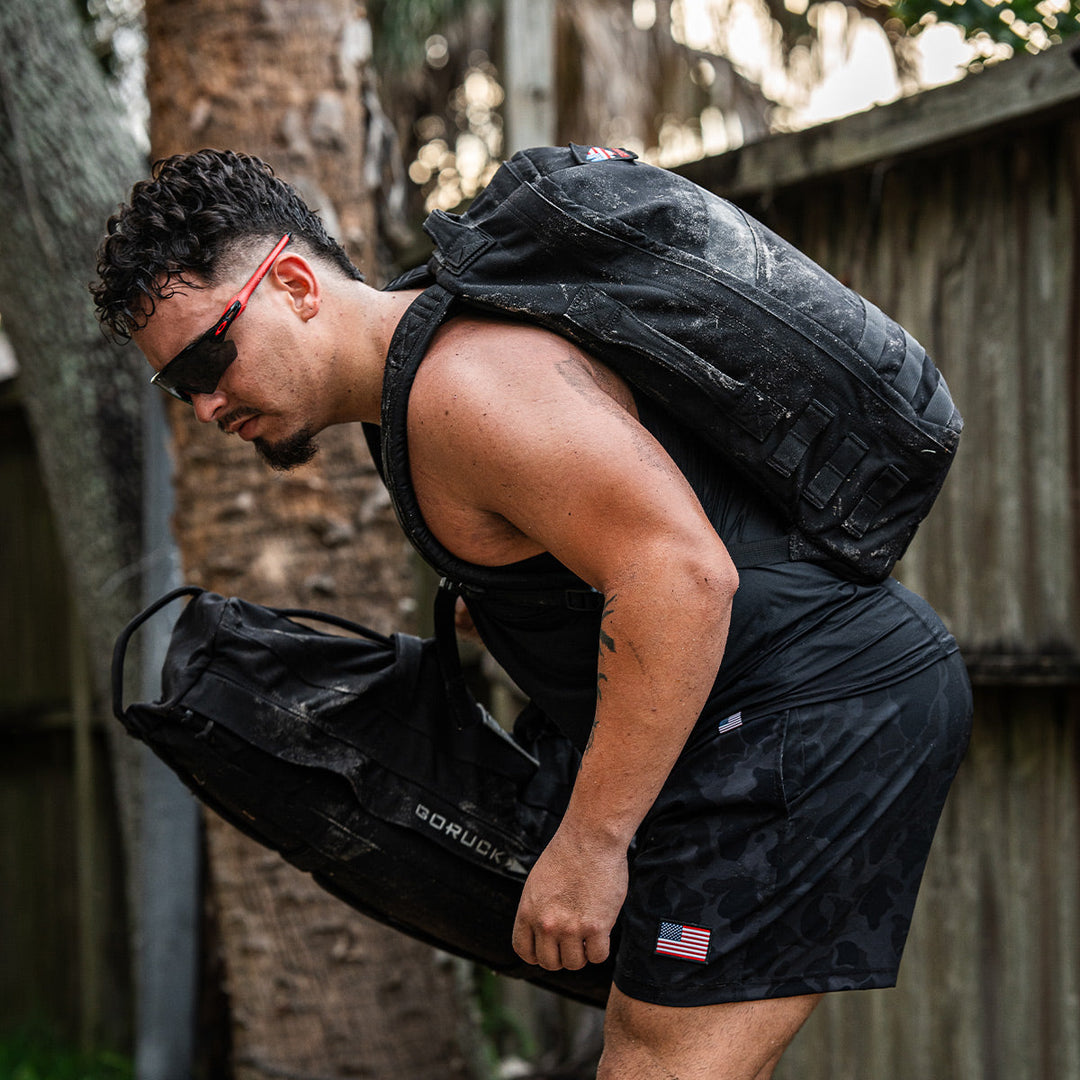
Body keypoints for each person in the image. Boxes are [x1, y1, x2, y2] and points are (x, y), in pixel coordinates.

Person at [92, 149, 973, 1080]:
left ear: (298, 284)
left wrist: (591, 847)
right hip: (764, 719)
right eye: (177, 385)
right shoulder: (415, 384)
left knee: (654, 1062)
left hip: (814, 716)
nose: (203, 405)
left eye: (207, 357)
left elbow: (680, 576)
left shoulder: (461, 389)